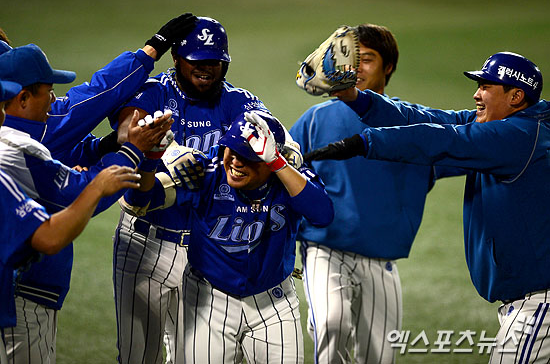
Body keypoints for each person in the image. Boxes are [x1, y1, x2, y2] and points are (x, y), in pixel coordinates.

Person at [305, 51, 550, 363]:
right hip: (531, 302)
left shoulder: (519, 136)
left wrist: (363, 143)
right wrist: (356, 98)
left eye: (486, 86)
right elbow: (424, 118)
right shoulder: (508, 125)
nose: (476, 93)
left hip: (539, 304)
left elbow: (440, 140)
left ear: (516, 96)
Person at [110, 16, 276, 364]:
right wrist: (167, 152)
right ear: (176, 59)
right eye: (196, 61)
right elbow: (127, 132)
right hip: (146, 242)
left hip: (206, 248)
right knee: (140, 356)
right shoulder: (156, 91)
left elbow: (271, 139)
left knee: (199, 357)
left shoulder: (238, 101)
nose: (206, 69)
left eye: (214, 61)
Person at [290, 23, 457, 363]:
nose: (357, 68)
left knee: (380, 355)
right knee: (330, 324)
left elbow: (466, 154)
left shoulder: (412, 126)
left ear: (389, 66)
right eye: (351, 59)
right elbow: (286, 174)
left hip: (382, 260)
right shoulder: (316, 119)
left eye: (367, 59)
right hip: (325, 249)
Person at [0, 43, 173, 363]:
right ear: (20, 98)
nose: (54, 101)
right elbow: (53, 228)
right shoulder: (12, 150)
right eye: (48, 92)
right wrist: (126, 157)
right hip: (18, 297)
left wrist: (106, 149)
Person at [120, 111, 334, 363]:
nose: (236, 162)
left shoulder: (289, 177)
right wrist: (150, 160)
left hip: (274, 301)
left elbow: (323, 214)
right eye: (231, 151)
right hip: (209, 299)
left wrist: (277, 163)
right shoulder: (206, 173)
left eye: (249, 156)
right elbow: (140, 200)